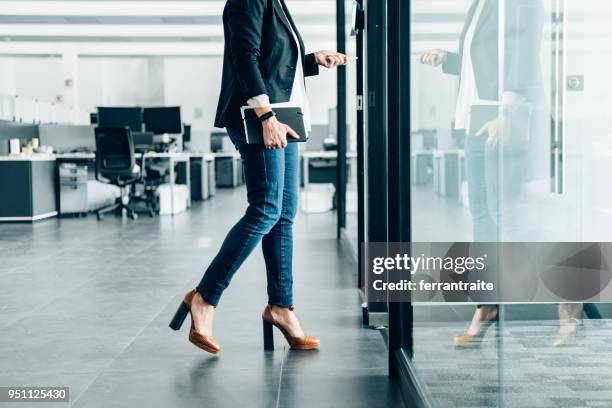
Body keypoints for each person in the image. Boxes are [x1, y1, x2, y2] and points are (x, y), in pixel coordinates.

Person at [168, 0, 348, 354]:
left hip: (285, 118)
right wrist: (265, 116)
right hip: (260, 118)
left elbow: (274, 61)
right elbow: (244, 56)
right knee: (265, 208)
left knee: (283, 214)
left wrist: (313, 60)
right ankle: (203, 297)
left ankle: (281, 307)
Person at [420, 0, 554, 347]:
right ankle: (487, 304)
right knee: (482, 215)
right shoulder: (482, 5)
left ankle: (566, 294)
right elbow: (485, 59)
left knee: (506, 215)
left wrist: (510, 111)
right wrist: (448, 59)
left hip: (502, 118)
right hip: (476, 118)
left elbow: (523, 52)